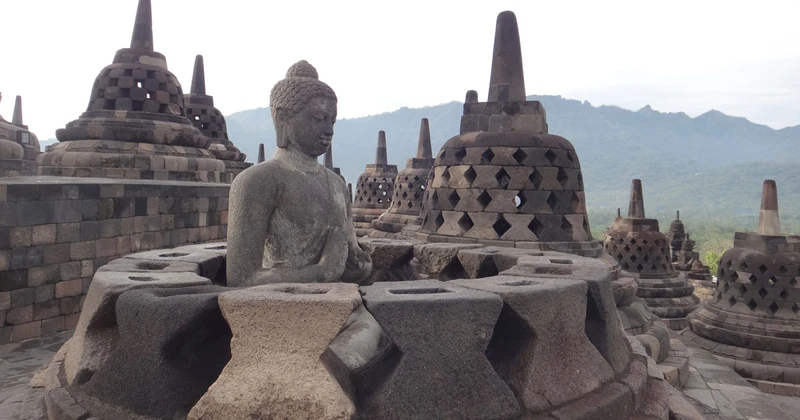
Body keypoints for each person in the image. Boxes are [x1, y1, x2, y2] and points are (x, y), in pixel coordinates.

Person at [226, 61, 372, 287]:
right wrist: (321, 272)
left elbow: (348, 260)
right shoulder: (257, 181)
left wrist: (357, 266)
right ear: (283, 118)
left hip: (341, 304)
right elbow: (241, 278)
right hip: (283, 309)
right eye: (318, 119)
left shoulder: (337, 184)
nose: (329, 130)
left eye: (332, 120)